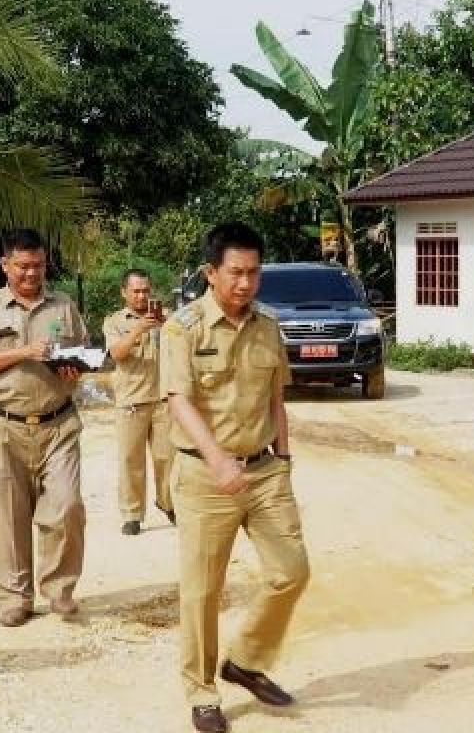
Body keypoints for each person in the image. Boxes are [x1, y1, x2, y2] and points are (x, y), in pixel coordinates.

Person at [161, 222, 310, 733]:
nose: (246, 283)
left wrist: (284, 461)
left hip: (266, 470)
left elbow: (276, 397)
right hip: (205, 475)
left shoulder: (268, 326)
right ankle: (202, 691)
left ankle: (244, 661)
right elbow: (179, 400)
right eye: (236, 273)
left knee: (291, 572)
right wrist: (218, 459)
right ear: (211, 272)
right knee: (203, 590)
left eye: (254, 273)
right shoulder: (183, 327)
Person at [0, 228, 88, 627]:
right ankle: (14, 598)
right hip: (3, 424)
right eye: (22, 266)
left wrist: (75, 366)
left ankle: (60, 589)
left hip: (58, 422)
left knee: (67, 506)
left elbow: (83, 353)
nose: (31, 273)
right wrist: (25, 351)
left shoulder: (64, 306)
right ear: (5, 265)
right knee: (5, 516)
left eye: (37, 265)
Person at [103, 268, 175, 536]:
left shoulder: (167, 318)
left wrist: (166, 325)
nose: (142, 296)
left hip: (164, 399)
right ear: (124, 292)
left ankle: (168, 503)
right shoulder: (114, 322)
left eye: (146, 290)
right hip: (131, 400)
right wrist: (138, 329)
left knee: (167, 457)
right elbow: (117, 354)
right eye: (136, 291)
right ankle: (132, 514)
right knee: (131, 460)